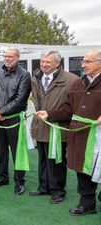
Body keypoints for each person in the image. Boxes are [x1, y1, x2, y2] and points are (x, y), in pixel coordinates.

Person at [37, 50, 101, 216]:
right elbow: (67, 109)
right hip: (81, 135)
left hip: (98, 136)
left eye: (88, 61)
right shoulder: (78, 83)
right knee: (83, 170)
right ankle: (87, 203)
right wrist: (49, 114)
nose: (83, 65)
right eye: (83, 61)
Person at [29, 51, 79, 203]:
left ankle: (58, 190)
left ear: (57, 64)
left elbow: (72, 107)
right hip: (40, 126)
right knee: (43, 158)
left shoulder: (72, 80)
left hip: (57, 127)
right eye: (42, 61)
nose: (43, 65)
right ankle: (44, 186)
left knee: (56, 160)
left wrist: (51, 114)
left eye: (48, 62)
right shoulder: (36, 78)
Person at [0, 48, 31, 195]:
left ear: (18, 58)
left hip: (14, 118)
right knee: (1, 150)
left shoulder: (25, 75)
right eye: (5, 56)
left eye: (10, 56)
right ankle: (3, 177)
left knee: (16, 151)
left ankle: (19, 181)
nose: (7, 59)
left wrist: (2, 111)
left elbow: (21, 99)